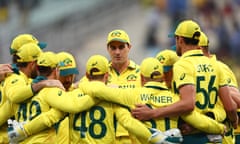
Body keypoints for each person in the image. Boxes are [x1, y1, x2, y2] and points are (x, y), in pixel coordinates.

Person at [8, 54, 174, 144]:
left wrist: (24, 130)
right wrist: (155, 137)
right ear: (107, 75)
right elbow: (129, 123)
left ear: (86, 74)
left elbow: (49, 117)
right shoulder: (112, 98)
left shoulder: (72, 94)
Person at [131, 20, 238, 143]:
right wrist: (234, 121)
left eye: (176, 39)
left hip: (195, 137)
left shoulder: (182, 65)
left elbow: (188, 104)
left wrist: (153, 113)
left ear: (180, 40)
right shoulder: (215, 65)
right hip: (216, 137)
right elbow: (230, 107)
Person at [106, 29, 142, 143]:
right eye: (113, 48)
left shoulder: (141, 73)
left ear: (129, 47)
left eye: (121, 47)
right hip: (107, 136)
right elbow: (78, 87)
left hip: (134, 137)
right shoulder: (100, 73)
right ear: (108, 49)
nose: (117, 52)